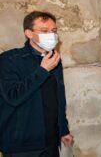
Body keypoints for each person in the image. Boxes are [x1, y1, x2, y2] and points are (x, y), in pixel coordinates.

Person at [0, 11, 73, 157]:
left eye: (54, 31)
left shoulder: (54, 60)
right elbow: (13, 97)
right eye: (44, 31)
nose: (51, 35)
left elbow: (58, 98)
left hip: (50, 141)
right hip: (22, 145)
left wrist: (63, 129)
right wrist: (42, 70)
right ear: (29, 33)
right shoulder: (9, 60)